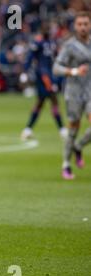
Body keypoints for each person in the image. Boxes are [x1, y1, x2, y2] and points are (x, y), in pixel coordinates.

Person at [53, 12, 91, 180]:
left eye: (86, 24)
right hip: (74, 92)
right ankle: (66, 164)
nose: (83, 27)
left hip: (90, 91)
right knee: (73, 129)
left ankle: (78, 146)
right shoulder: (70, 46)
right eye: (80, 24)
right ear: (75, 26)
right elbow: (56, 68)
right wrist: (74, 71)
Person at [20, 22, 68, 141]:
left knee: (41, 103)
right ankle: (62, 129)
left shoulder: (51, 43)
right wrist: (25, 72)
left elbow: (55, 58)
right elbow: (30, 57)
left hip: (50, 75)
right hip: (43, 76)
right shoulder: (38, 42)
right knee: (53, 101)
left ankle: (28, 129)